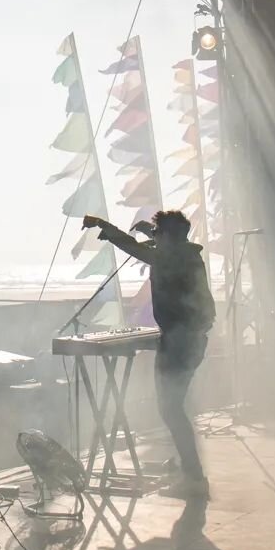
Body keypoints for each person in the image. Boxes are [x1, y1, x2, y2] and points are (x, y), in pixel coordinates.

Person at [82, 210, 216, 499]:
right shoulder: (186, 254)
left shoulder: (170, 258)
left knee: (171, 409)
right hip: (189, 341)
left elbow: (135, 249)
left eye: (158, 234)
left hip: (180, 345)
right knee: (174, 408)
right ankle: (188, 471)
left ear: (167, 236)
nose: (155, 239)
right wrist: (148, 231)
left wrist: (104, 226)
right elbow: (155, 245)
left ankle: (194, 478)